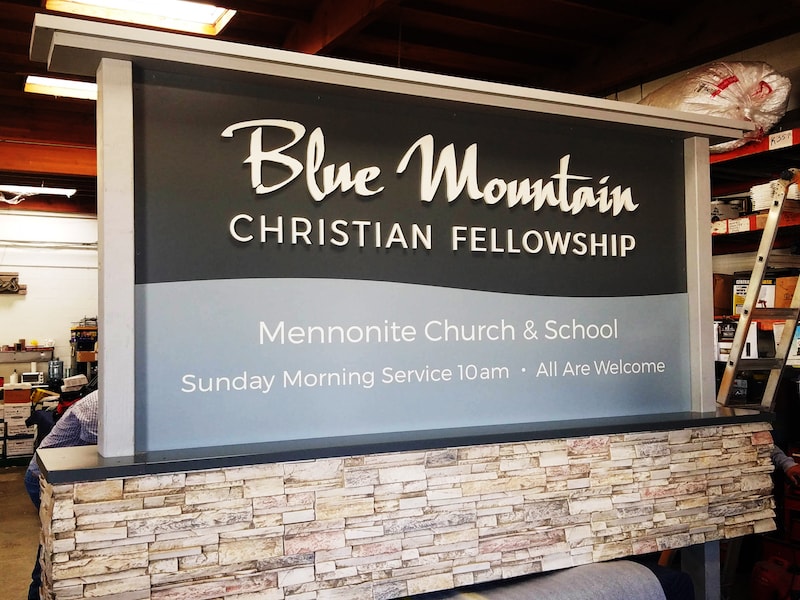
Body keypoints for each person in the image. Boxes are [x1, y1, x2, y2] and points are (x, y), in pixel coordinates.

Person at [24, 390, 98, 600]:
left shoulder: (111, 400)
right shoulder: (98, 405)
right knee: (55, 538)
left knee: (64, 537)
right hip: (43, 478)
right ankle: (38, 593)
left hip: (67, 478)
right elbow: (106, 449)